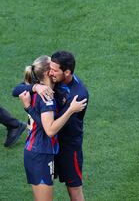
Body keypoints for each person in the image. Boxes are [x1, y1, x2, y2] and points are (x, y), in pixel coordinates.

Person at [13, 51, 89, 201]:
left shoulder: (77, 94)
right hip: (44, 147)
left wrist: (29, 107)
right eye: (51, 69)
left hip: (67, 148)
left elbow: (52, 127)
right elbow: (16, 90)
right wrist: (35, 87)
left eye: (55, 70)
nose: (52, 73)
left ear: (66, 72)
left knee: (74, 189)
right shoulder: (46, 89)